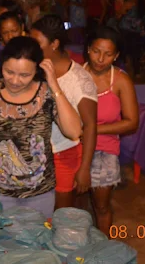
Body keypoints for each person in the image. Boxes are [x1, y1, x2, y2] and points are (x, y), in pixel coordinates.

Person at [0, 37, 82, 218]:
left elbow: (74, 131)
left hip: (40, 193)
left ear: (37, 70)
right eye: (9, 72)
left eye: (24, 75)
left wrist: (54, 84)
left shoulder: (46, 93)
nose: (15, 80)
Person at [30, 15, 98, 210]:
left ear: (54, 44)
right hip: (34, 153)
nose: (32, 48)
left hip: (64, 154)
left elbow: (90, 125)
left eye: (37, 43)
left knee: (60, 214)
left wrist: (84, 168)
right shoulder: (32, 70)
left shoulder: (79, 79)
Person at [83, 26, 139, 235]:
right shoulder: (76, 75)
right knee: (73, 205)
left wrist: (93, 129)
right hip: (74, 145)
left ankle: (103, 246)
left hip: (104, 149)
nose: (100, 59)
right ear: (88, 49)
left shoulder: (121, 81)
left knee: (101, 206)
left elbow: (131, 122)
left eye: (108, 54)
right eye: (96, 51)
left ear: (116, 56)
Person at [0, 11, 24, 78]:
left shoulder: (30, 48)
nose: (10, 36)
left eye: (14, 31)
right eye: (5, 33)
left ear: (22, 27)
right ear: (0, 32)